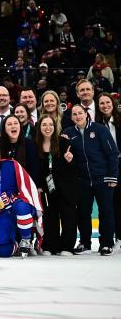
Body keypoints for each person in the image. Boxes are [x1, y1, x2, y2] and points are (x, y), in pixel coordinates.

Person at [64, 104, 118, 255]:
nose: (77, 116)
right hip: (83, 181)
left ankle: (107, 243)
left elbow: (112, 153)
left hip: (103, 179)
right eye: (74, 114)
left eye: (80, 113)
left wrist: (112, 176)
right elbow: (65, 155)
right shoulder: (68, 133)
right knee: (83, 212)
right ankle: (85, 242)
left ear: (86, 114)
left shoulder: (99, 129)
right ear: (71, 117)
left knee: (106, 211)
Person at [0, 145, 43, 257]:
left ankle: (26, 241)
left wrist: (33, 203)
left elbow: (26, 185)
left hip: (17, 205)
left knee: (22, 208)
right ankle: (16, 244)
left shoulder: (11, 165)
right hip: (1, 214)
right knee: (3, 252)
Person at [35, 115, 78, 255]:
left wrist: (70, 160)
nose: (48, 128)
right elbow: (35, 169)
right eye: (44, 125)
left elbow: (75, 167)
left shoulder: (64, 142)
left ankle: (67, 247)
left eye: (50, 125)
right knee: (49, 217)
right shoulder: (35, 145)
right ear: (39, 127)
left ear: (55, 127)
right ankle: (50, 246)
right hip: (47, 188)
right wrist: (39, 186)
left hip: (65, 187)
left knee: (68, 216)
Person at [95, 93, 121, 246]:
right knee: (108, 204)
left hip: (119, 163)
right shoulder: (97, 124)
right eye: (102, 103)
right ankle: (108, 238)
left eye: (107, 102)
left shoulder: (119, 121)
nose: (105, 105)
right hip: (105, 167)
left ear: (113, 103)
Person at [0, 115, 39, 185]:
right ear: (4, 129)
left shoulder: (29, 144)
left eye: (16, 123)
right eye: (9, 124)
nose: (13, 126)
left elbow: (35, 168)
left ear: (20, 126)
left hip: (26, 185)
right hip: (4, 185)